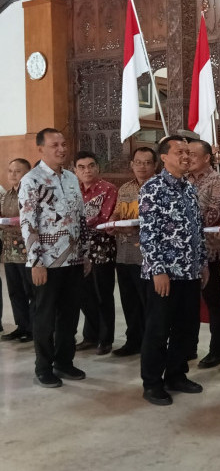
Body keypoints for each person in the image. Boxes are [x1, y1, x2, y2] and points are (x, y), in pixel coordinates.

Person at [139, 136, 209, 406]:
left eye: (189, 152)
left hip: (189, 272)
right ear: (164, 158)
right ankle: (152, 383)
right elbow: (148, 233)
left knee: (186, 328)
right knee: (158, 330)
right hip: (164, 274)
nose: (186, 156)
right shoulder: (153, 188)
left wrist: (202, 263)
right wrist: (157, 270)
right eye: (179, 152)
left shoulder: (189, 187)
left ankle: (176, 375)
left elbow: (196, 231)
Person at [18, 128, 89, 388]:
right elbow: (29, 223)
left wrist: (86, 253)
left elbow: (81, 218)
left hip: (73, 259)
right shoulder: (31, 180)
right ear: (41, 149)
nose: (61, 149)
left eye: (63, 143)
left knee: (69, 315)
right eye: (54, 145)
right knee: (45, 316)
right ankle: (43, 367)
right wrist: (36, 262)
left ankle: (64, 361)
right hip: (46, 263)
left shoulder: (71, 177)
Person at [187, 138, 220, 369]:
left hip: (209, 251)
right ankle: (190, 346)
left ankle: (217, 350)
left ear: (207, 158)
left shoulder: (218, 181)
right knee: (189, 301)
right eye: (186, 154)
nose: (188, 158)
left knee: (213, 301)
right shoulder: (183, 180)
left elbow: (212, 216)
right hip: (186, 253)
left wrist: (180, 219)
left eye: (193, 154)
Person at [109, 147, 156, 356]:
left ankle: (151, 342)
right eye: (138, 162)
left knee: (148, 302)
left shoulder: (158, 188)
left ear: (155, 165)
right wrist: (112, 222)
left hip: (147, 256)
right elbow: (117, 213)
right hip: (124, 252)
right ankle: (133, 340)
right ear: (132, 165)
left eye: (147, 163)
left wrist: (136, 227)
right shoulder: (125, 189)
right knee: (129, 300)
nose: (142, 167)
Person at [74, 151, 118, 355]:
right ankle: (90, 336)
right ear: (75, 170)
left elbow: (104, 218)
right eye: (81, 167)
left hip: (102, 248)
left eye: (91, 166)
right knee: (83, 294)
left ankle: (105, 338)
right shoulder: (73, 190)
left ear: (98, 168)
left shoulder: (108, 189)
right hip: (79, 250)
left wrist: (79, 223)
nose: (87, 171)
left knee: (103, 294)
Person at [0, 158, 34, 342]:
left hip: (26, 251)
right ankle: (21, 326)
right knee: (14, 291)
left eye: (17, 171)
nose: (13, 174)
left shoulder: (30, 193)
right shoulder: (5, 195)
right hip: (9, 250)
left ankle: (33, 328)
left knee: (30, 291)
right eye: (10, 170)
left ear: (28, 173)